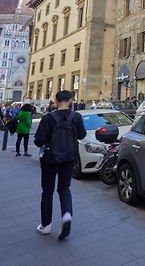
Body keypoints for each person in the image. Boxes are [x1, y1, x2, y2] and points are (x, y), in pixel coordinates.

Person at [34, 90, 86, 240]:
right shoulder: (76, 117)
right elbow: (82, 135)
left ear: (56, 101)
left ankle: (45, 226)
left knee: (47, 191)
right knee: (64, 188)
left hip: (50, 158)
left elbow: (38, 140)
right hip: (69, 157)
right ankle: (67, 215)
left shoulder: (48, 118)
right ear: (71, 101)